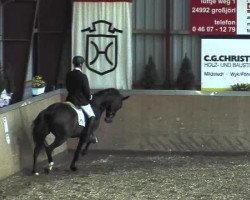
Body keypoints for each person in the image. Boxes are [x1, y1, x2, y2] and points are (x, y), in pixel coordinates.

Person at [66, 56, 97, 143]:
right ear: (81, 64)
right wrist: (90, 97)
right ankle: (86, 136)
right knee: (92, 116)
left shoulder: (69, 74)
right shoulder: (83, 76)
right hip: (80, 101)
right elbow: (86, 90)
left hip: (69, 99)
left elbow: (68, 87)